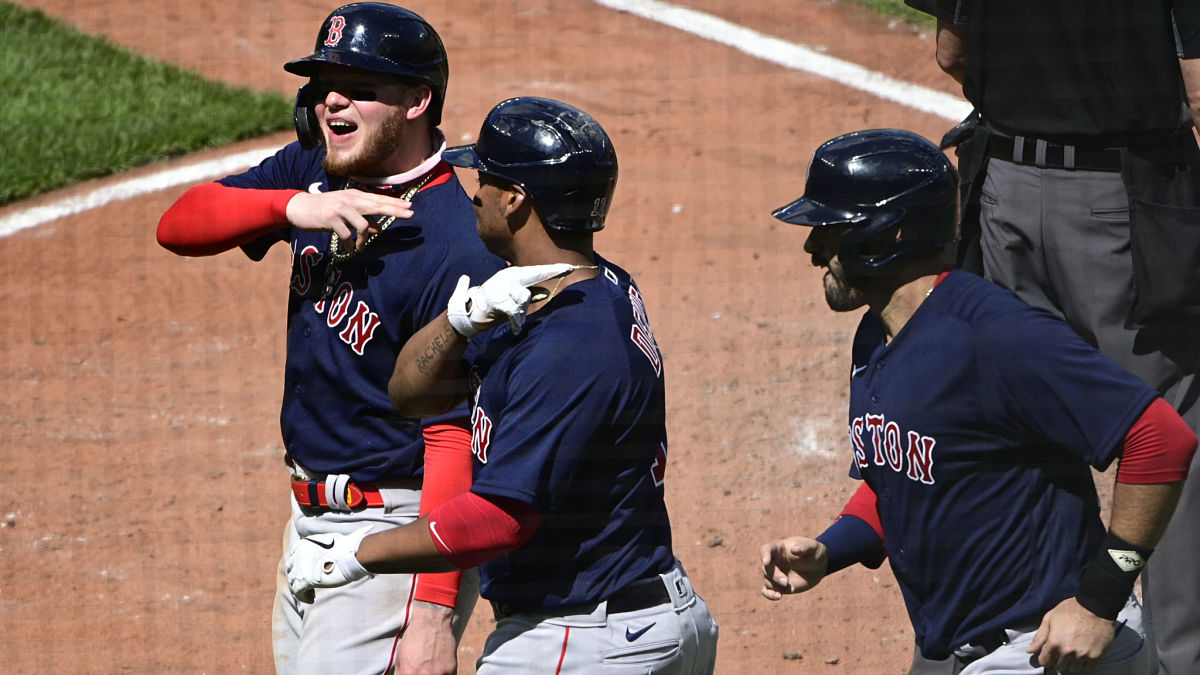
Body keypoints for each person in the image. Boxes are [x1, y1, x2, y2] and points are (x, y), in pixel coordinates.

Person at [285, 96, 720, 674]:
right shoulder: (572, 289)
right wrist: (459, 322)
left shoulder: (570, 343)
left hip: (588, 637)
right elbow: (409, 395)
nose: (473, 194)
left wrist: (360, 555)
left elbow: (500, 519)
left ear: (514, 200)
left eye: (484, 179)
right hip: (633, 617)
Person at [758, 129, 1196, 674]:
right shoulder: (877, 337)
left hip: (1049, 645)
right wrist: (830, 551)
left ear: (885, 234)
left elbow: (1161, 437)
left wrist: (1099, 600)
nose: (813, 248)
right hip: (971, 649)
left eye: (830, 229)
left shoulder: (996, 334)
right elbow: (901, 478)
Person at [155, 4, 505, 673]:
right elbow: (178, 224)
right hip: (309, 521)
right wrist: (292, 205)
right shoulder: (314, 172)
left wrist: (432, 612)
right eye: (324, 84)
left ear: (416, 101)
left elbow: (452, 436)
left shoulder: (453, 243)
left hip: (396, 529)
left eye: (359, 86)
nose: (332, 100)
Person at [902, 5, 1200, 671]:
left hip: (1002, 191)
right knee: (1168, 425)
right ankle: (1181, 658)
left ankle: (979, 648)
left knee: (1001, 418)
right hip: (1130, 204)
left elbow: (952, 51)